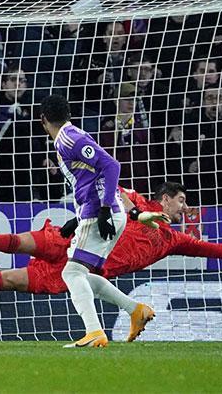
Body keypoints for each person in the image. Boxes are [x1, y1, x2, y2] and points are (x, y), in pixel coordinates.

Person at [0, 182, 222, 341]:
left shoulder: (175, 241)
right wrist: (140, 212)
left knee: (6, 280)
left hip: (83, 269)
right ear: (165, 199)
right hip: (72, 237)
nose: (185, 208)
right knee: (15, 241)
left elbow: (221, 250)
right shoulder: (139, 201)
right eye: (182, 200)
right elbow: (115, 194)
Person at [37, 93, 152, 348]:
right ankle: (135, 310)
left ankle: (94, 333)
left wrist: (102, 209)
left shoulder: (69, 139)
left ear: (43, 119)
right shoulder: (70, 136)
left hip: (104, 210)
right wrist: (77, 220)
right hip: (97, 210)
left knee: (72, 272)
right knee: (80, 274)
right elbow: (92, 179)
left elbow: (111, 165)